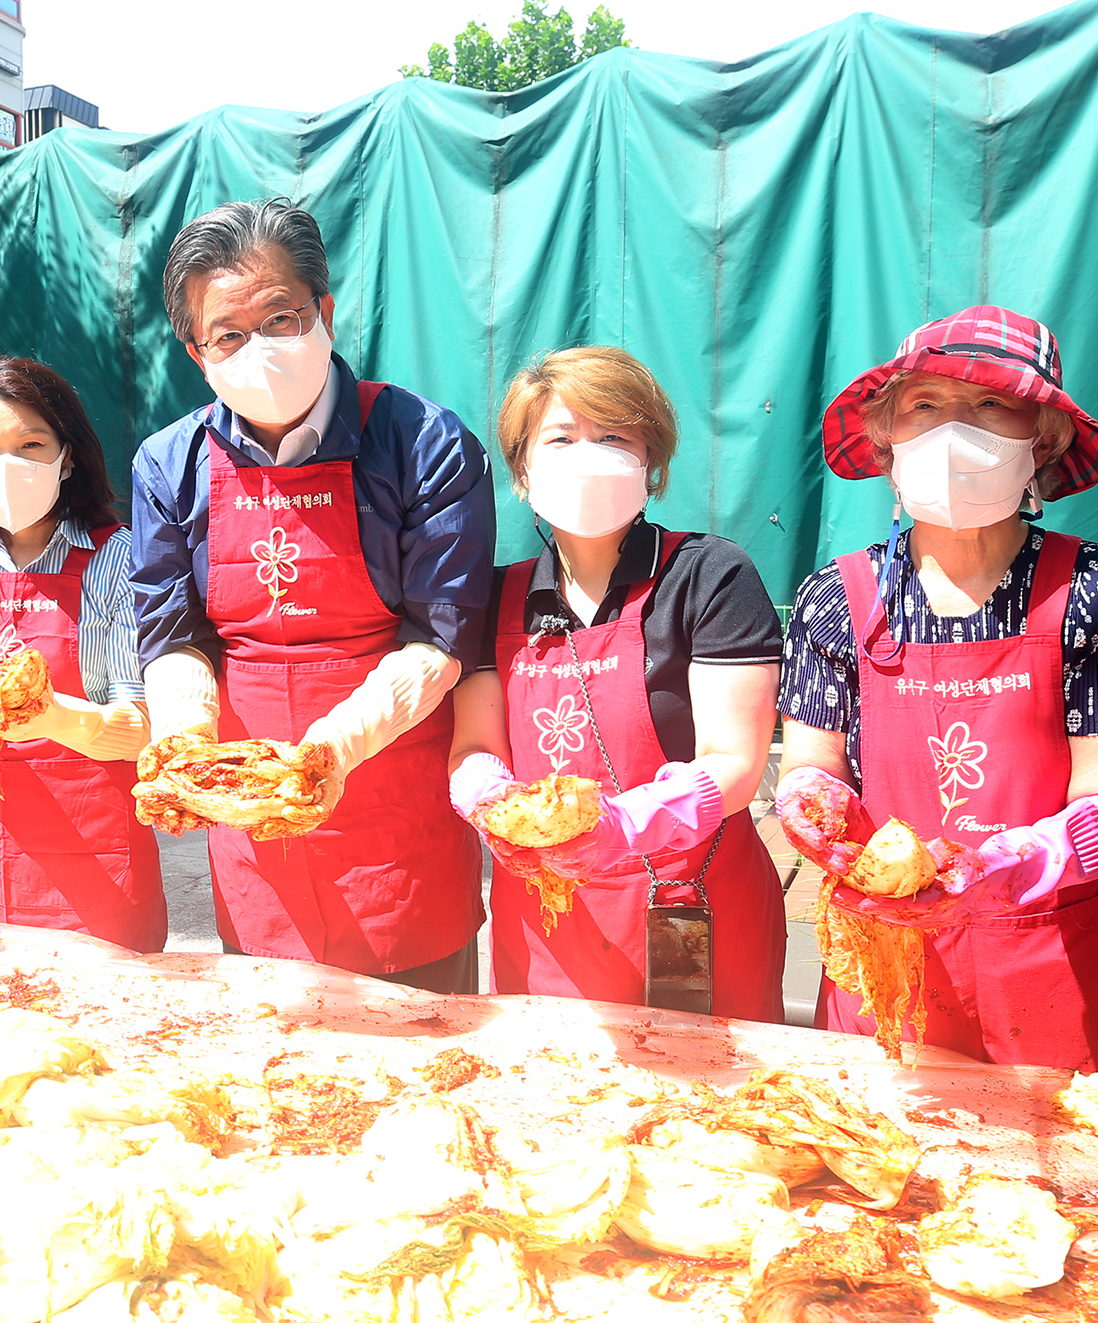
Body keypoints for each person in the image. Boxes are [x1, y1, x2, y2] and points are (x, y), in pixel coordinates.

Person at [130, 199, 494, 989]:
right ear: (197, 353)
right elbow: (172, 634)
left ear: (324, 311)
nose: (256, 347)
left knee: (426, 1049)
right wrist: (189, 745)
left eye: (280, 318)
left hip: (396, 825)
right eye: (228, 334)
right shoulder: (167, 464)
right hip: (254, 826)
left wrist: (332, 751)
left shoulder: (424, 443)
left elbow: (441, 638)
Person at [775, 306, 1098, 1069]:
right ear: (888, 436)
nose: (954, 428)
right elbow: (812, 765)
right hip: (882, 964)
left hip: (1046, 966)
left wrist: (1016, 863)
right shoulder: (837, 598)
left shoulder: (1085, 592)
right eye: (924, 404)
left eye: (989, 404)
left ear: (1042, 438)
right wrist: (811, 808)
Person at [448, 347, 787, 1020]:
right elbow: (475, 745)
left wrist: (620, 824)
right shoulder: (495, 596)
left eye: (613, 437)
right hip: (548, 923)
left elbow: (736, 762)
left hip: (690, 905)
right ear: (522, 469)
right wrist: (489, 799)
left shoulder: (710, 575)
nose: (588, 456)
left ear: (649, 461)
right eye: (561, 438)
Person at [0, 355, 162, 949]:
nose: (7, 466)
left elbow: (143, 728)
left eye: (31, 445)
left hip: (97, 858)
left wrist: (48, 716)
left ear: (67, 457)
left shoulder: (117, 560)